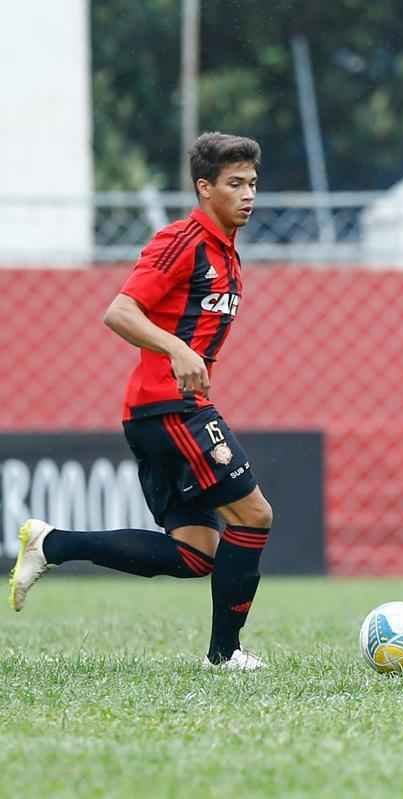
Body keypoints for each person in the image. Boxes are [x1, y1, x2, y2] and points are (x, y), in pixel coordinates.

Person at [8, 132, 273, 671]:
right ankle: (225, 657)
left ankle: (52, 545)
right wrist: (176, 348)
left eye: (252, 184)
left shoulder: (226, 251)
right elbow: (120, 311)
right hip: (170, 407)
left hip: (165, 411)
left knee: (195, 551)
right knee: (254, 515)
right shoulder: (183, 241)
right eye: (235, 184)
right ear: (204, 188)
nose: (248, 195)